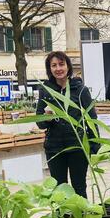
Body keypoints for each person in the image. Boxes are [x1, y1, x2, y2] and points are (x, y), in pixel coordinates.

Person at [36, 51, 98, 198]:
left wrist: (94, 144)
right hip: (54, 147)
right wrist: (47, 118)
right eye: (54, 65)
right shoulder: (46, 91)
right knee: (58, 189)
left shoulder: (80, 89)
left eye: (61, 64)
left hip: (77, 145)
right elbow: (40, 123)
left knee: (79, 187)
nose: (58, 68)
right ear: (49, 69)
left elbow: (92, 118)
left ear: (68, 66)